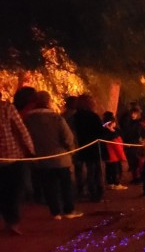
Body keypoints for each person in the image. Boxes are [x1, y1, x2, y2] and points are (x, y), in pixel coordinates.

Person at [23, 91, 83, 220]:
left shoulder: (28, 119)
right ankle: (68, 210)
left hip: (41, 158)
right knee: (65, 184)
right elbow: (67, 137)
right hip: (60, 157)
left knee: (49, 186)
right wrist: (71, 150)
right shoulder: (56, 118)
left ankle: (55, 212)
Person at [0, 96, 35, 235]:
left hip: (11, 156)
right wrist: (29, 151)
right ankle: (12, 222)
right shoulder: (6, 107)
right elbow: (19, 129)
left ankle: (10, 221)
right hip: (12, 155)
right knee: (14, 190)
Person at [73, 94, 105, 202]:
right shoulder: (93, 116)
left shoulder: (76, 116)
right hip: (94, 146)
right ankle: (96, 193)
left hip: (82, 145)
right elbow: (100, 132)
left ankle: (89, 191)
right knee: (95, 171)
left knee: (88, 170)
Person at [101, 111, 128, 189]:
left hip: (107, 155)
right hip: (113, 155)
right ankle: (116, 183)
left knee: (109, 169)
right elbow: (117, 147)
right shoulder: (113, 135)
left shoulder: (104, 131)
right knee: (116, 169)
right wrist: (122, 157)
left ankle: (110, 183)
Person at [119, 103, 144, 183]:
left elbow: (140, 133)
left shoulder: (140, 123)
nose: (133, 115)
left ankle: (140, 177)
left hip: (136, 144)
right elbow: (125, 130)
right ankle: (135, 177)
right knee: (132, 161)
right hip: (129, 143)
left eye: (135, 113)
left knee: (137, 161)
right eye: (132, 113)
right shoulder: (127, 121)